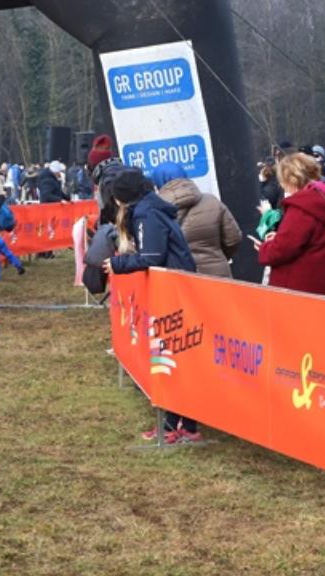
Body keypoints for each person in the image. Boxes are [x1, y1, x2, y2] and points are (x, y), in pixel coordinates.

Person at [102, 169, 199, 444]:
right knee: (173, 356)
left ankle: (174, 426)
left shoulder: (147, 213)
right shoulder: (148, 210)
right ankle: (182, 424)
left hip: (174, 291)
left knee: (170, 356)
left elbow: (152, 256)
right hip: (174, 287)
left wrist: (118, 264)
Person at [254, 153, 325, 297]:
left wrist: (264, 248)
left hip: (299, 290)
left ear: (290, 179)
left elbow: (281, 250)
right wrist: (279, 237)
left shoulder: (301, 208)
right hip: (324, 282)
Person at [153, 162, 242, 278]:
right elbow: (233, 239)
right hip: (218, 277)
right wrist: (216, 256)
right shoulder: (212, 201)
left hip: (181, 280)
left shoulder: (155, 213)